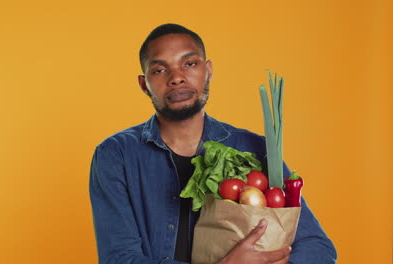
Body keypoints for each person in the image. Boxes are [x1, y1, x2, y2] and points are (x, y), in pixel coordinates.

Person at [89, 23, 337, 264]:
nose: (177, 77)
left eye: (189, 64)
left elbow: (319, 249)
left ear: (208, 70)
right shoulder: (116, 155)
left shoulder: (256, 149)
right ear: (144, 84)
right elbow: (118, 258)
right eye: (160, 70)